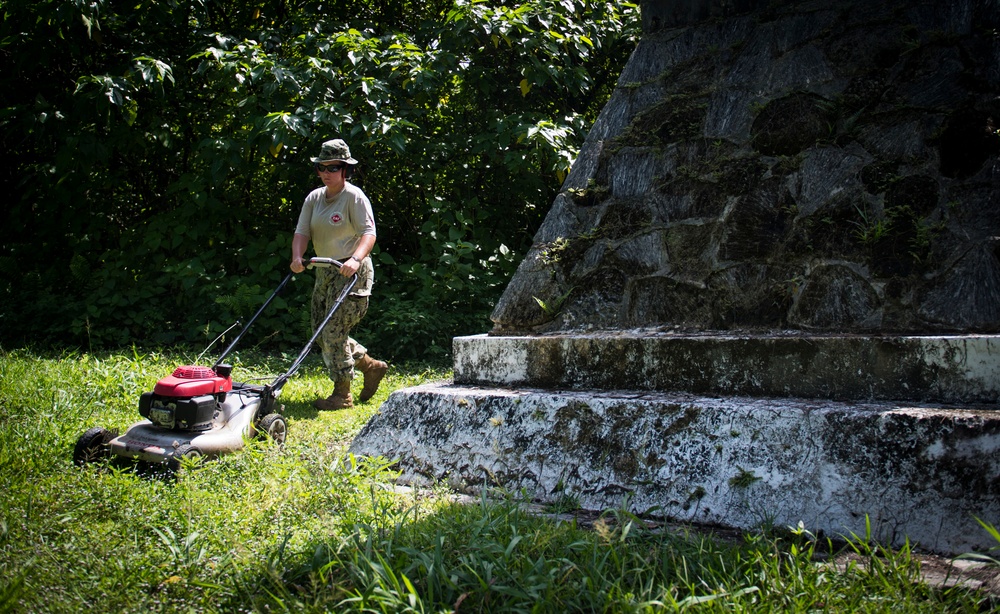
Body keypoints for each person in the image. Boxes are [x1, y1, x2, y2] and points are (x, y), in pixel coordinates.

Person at [290, 139, 388, 410]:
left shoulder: (354, 197)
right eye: (322, 167)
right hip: (324, 271)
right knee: (321, 333)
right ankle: (370, 367)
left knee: (333, 331)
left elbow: (369, 233)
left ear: (346, 169)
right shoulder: (314, 198)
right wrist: (297, 257)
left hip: (351, 273)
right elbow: (302, 232)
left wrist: (356, 259)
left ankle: (342, 394)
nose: (326, 173)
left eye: (333, 167)